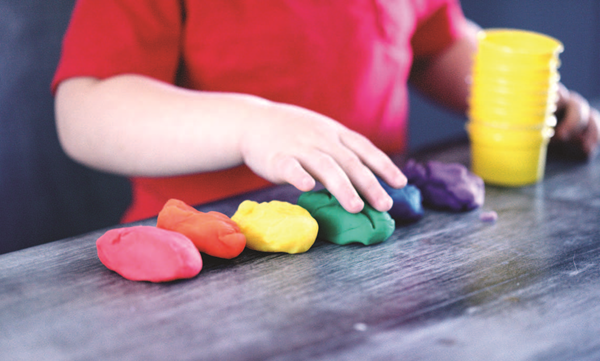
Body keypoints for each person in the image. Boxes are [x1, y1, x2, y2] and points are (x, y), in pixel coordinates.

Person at [52, 0, 599, 223]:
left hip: (378, 240)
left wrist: (529, 102)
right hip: (209, 254)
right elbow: (87, 110)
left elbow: (436, 43)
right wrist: (252, 125)